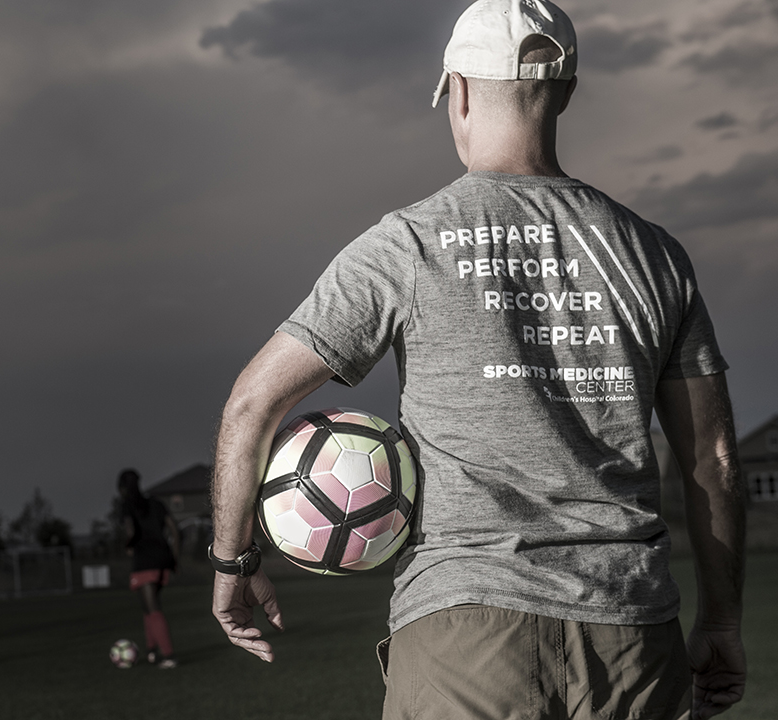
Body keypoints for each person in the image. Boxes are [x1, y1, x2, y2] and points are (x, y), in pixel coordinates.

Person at [208, 2, 747, 719]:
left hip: (464, 629)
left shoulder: (407, 244)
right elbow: (712, 459)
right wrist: (720, 621)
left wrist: (232, 562)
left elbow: (253, 403)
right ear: (567, 92)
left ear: (457, 91)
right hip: (633, 634)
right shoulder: (654, 255)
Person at [117, 469, 181, 669]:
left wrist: (128, 545)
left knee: (152, 609)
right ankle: (152, 651)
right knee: (148, 607)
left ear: (121, 489)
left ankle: (168, 655)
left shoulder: (128, 506)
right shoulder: (156, 504)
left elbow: (131, 531)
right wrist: (174, 558)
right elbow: (174, 531)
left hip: (145, 561)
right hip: (163, 559)